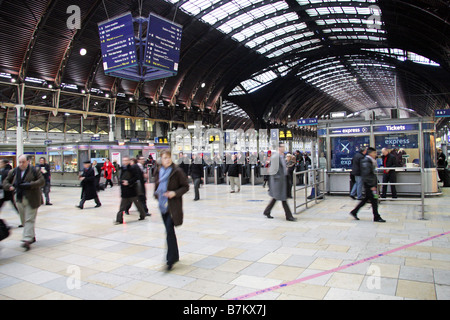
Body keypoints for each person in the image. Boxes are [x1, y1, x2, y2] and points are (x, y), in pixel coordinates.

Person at [154, 149, 189, 270]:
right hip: (162, 205)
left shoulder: (176, 171)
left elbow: (186, 186)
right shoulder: (158, 171)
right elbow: (157, 185)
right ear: (161, 159)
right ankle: (175, 256)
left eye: (169, 157)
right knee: (170, 232)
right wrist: (157, 194)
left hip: (173, 206)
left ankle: (170, 260)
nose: (167, 160)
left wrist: (175, 193)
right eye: (165, 158)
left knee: (169, 230)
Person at [3, 154, 45, 251]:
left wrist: (30, 185)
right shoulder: (14, 171)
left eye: (23, 162)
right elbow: (6, 182)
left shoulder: (35, 170)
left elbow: (41, 181)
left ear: (28, 162)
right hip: (19, 198)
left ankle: (26, 239)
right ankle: (32, 236)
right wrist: (9, 187)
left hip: (32, 198)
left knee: (29, 219)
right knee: (24, 220)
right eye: (20, 162)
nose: (21, 164)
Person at [350, 147, 386, 223]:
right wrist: (372, 185)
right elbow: (366, 174)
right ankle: (376, 217)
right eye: (374, 153)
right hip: (370, 185)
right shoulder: (366, 161)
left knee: (367, 199)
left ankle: (355, 211)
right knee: (374, 200)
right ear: (370, 153)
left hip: (371, 184)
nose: (375, 154)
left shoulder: (369, 161)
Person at [263, 143, 296, 222]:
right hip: (278, 182)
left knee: (277, 198)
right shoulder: (276, 157)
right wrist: (278, 179)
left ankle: (267, 211)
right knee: (283, 199)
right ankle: (289, 216)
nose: (284, 148)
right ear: (279, 147)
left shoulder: (281, 157)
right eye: (282, 147)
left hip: (281, 181)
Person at [115, 156, 147, 224]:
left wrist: (129, 182)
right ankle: (119, 219)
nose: (125, 162)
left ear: (129, 161)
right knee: (122, 207)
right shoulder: (122, 169)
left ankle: (142, 215)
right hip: (124, 191)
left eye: (126, 160)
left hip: (132, 190)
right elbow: (120, 179)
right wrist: (121, 182)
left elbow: (136, 177)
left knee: (138, 205)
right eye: (124, 160)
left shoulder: (132, 168)